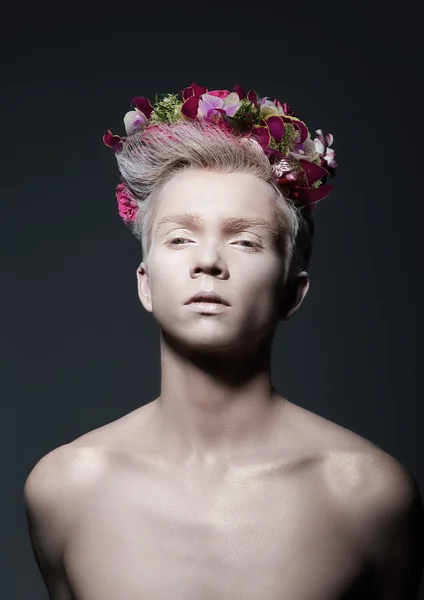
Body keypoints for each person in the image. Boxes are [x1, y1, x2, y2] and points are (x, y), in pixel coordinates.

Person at [24, 83, 424, 599]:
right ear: (145, 282)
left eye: (245, 240)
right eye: (180, 237)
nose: (208, 261)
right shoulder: (65, 488)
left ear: (292, 291)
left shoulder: (368, 494)